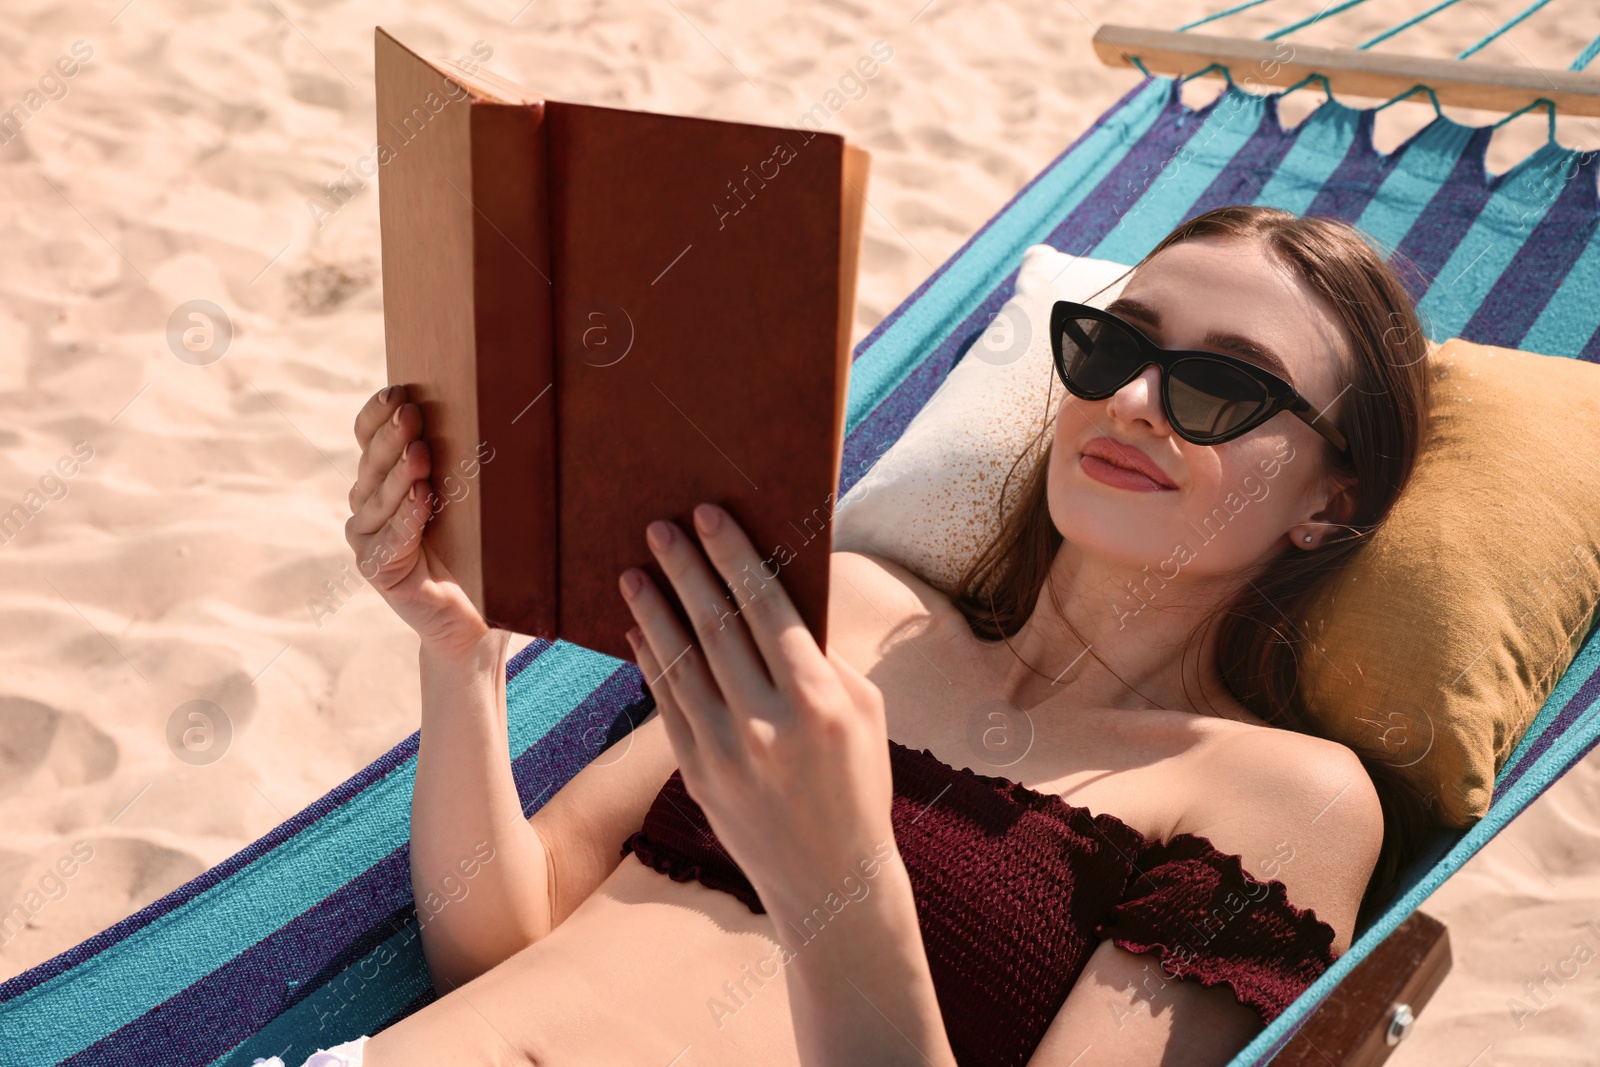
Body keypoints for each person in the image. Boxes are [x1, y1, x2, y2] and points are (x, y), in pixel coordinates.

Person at [327, 205, 1435, 1067]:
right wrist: (461, 657)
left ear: (1329, 504)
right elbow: (501, 938)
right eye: (1112, 346)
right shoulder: (849, 611)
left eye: (1223, 385)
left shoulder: (1282, 797)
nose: (1137, 397)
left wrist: (837, 873)